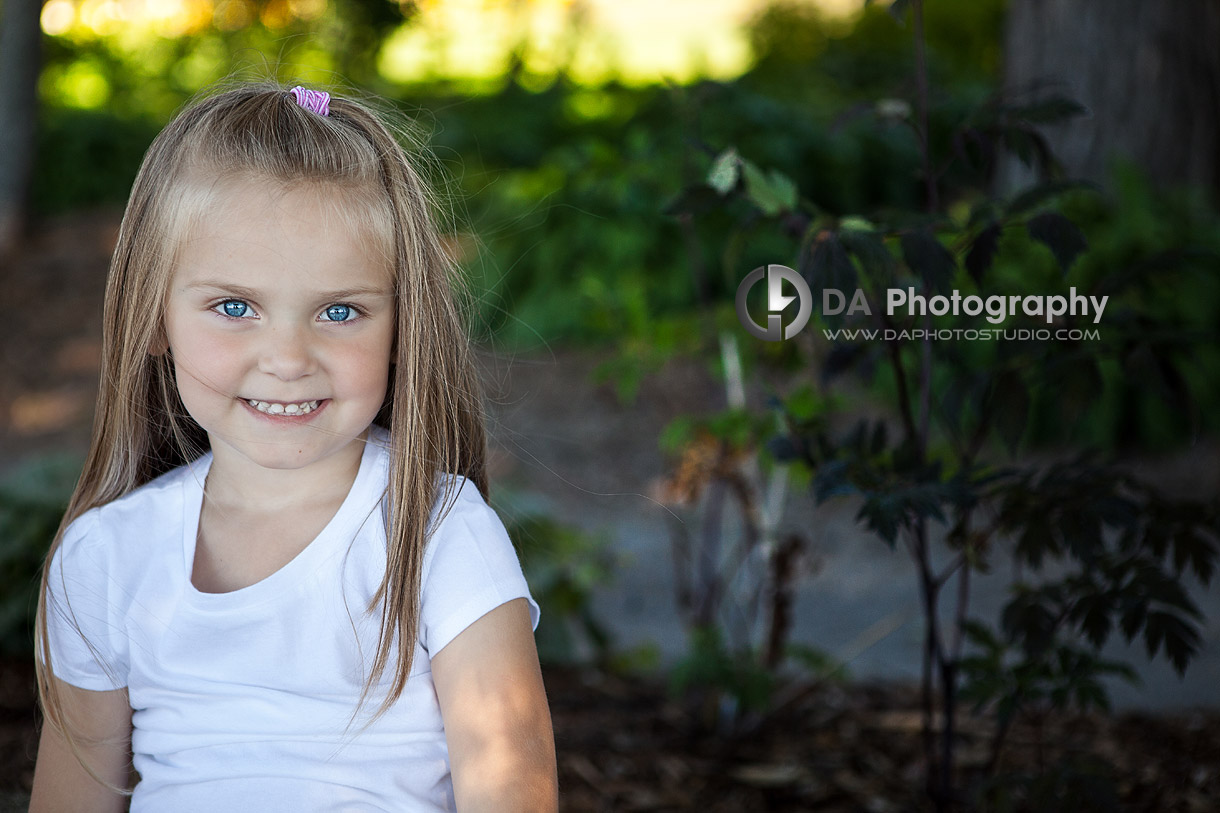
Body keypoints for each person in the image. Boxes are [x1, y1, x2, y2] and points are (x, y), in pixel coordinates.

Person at [29, 82, 558, 812]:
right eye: (234, 307)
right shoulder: (107, 558)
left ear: (402, 328)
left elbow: (512, 786)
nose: (287, 356)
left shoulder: (438, 531)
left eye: (340, 311)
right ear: (154, 317)